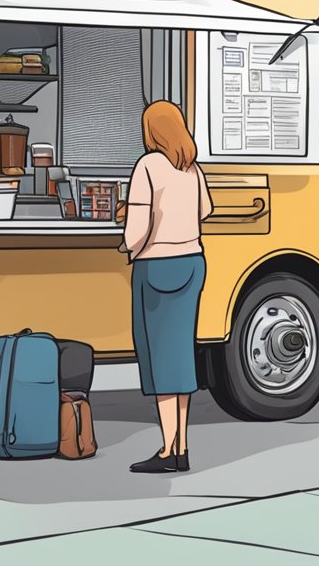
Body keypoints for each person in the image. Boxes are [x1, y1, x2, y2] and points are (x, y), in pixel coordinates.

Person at [120, 101, 212, 474]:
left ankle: (167, 451)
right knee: (180, 357)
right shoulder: (190, 167)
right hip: (192, 263)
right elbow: (205, 210)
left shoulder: (148, 166)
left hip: (156, 267)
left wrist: (127, 234)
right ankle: (181, 447)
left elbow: (136, 232)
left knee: (160, 361)